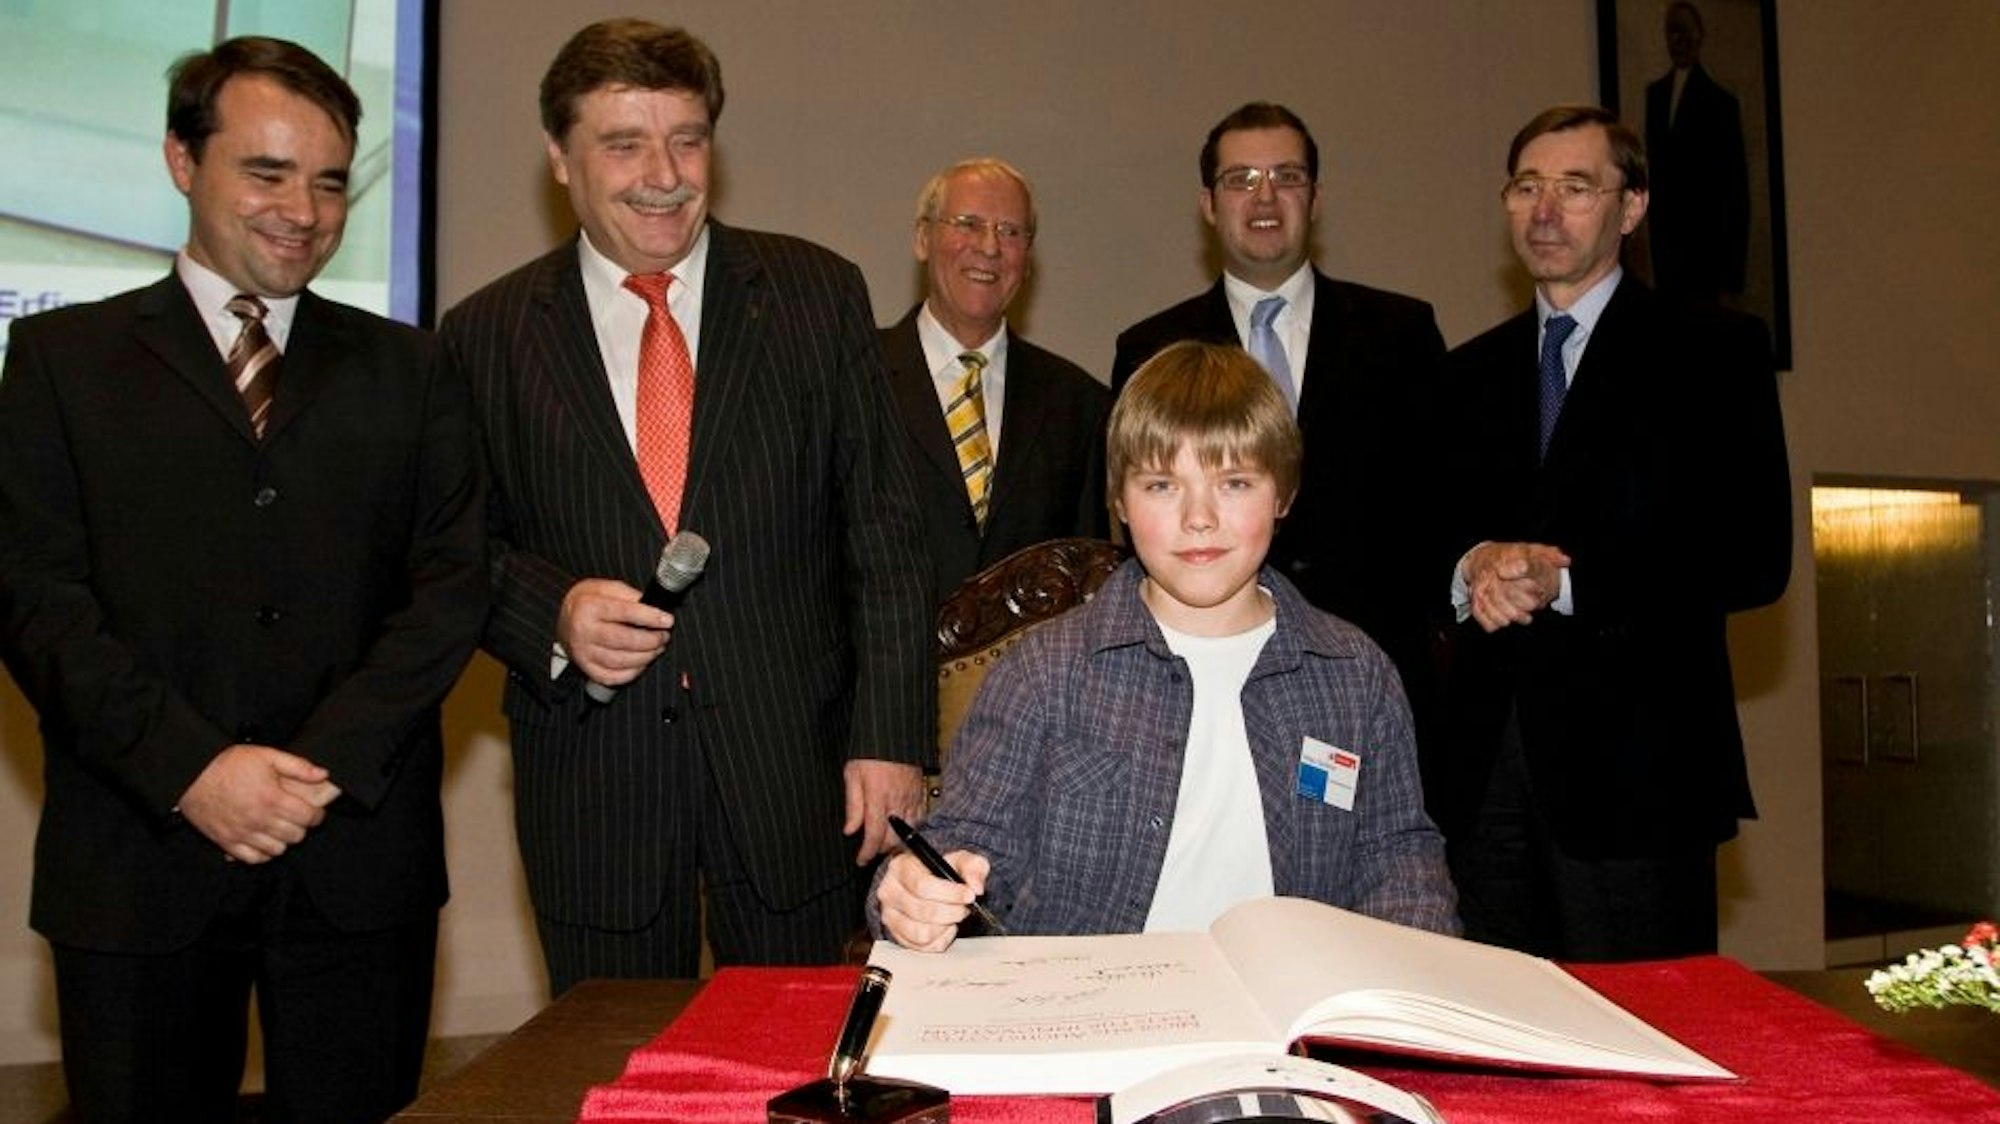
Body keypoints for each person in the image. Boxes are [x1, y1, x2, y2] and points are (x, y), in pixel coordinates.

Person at [0, 36, 486, 1123]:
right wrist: (195, 768)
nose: (302, 211)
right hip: (137, 859)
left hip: (356, 858)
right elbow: (37, 602)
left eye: (326, 182)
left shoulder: (412, 369)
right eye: (265, 173)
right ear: (181, 159)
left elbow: (451, 584)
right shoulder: (58, 362)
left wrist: (315, 764)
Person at [438, 18, 933, 995]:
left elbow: (884, 533)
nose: (663, 173)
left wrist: (892, 738)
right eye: (623, 144)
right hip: (595, 781)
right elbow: (453, 549)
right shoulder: (485, 334)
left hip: (796, 779)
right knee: (611, 1072)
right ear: (559, 159)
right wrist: (554, 611)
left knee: (798, 1070)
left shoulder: (813, 294)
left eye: (688, 138)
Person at [871, 341, 1458, 951]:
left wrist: (1404, 966)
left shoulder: (1354, 674)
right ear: (1119, 502)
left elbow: (1399, 853)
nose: (1199, 517)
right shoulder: (1045, 674)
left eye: (1233, 482)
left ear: (1282, 494)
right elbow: (960, 845)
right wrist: (915, 894)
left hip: (1287, 1022)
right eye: (1161, 485)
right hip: (1090, 1017)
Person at [1437, 105, 1789, 961]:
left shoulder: (1714, 352)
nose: (1546, 209)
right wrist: (1472, 564)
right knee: (1493, 1056)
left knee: (1640, 1057)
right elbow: (1420, 533)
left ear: (1631, 209)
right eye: (1527, 187)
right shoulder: (1466, 371)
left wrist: (1569, 580)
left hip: (1640, 776)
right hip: (1482, 780)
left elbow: (1752, 555)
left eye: (1576, 187)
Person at [1110, 102, 1449, 772]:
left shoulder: (1401, 333)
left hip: (1377, 681)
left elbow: (1441, 503)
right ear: (1208, 204)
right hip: (1201, 691)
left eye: (1286, 177)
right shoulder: (1150, 348)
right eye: (1241, 180)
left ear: (1316, 198)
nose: (1264, 197)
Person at [880, 158, 1110, 601]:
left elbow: (1087, 583)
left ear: (1028, 257)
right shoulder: (853, 378)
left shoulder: (1078, 405)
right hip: (880, 667)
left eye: (1010, 232)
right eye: (968, 223)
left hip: (1032, 670)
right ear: (923, 238)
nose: (989, 247)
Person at [1644, 0, 1751, 302]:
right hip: (1666, 251)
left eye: (1685, 32)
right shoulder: (1655, 96)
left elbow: (1735, 191)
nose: (1679, 40)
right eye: (1672, 32)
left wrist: (1730, 276)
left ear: (1700, 36)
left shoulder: (1720, 102)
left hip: (1705, 253)